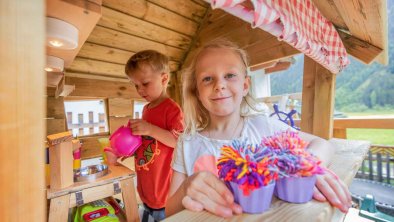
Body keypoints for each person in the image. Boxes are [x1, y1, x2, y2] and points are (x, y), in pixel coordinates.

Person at [165, 39, 352, 218]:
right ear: (197, 92)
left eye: (230, 75)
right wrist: (186, 188)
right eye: (207, 79)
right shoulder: (187, 142)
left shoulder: (264, 126)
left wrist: (306, 166)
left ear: (245, 85)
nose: (219, 85)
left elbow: (322, 144)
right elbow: (169, 211)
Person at [106, 50, 184, 221]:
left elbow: (180, 142)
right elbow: (145, 143)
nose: (140, 90)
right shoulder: (146, 109)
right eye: (136, 85)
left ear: (164, 79)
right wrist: (123, 149)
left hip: (165, 190)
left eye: (145, 83)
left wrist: (149, 129)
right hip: (146, 183)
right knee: (147, 209)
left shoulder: (172, 109)